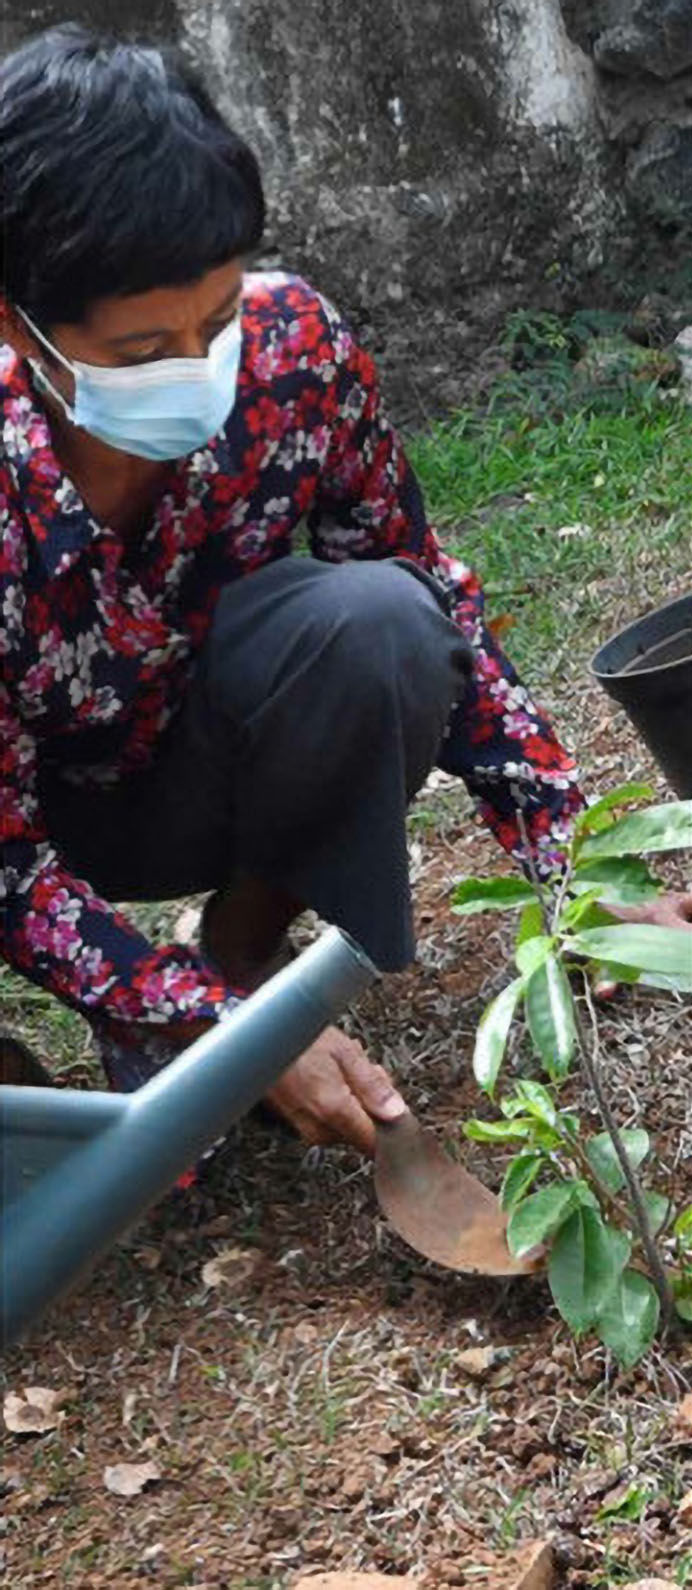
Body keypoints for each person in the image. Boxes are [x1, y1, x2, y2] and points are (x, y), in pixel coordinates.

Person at [1, 27, 689, 1160]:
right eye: (137, 350)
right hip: (30, 826)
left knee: (379, 623)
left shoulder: (291, 354)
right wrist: (219, 1035)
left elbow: (430, 597)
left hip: (196, 773)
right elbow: (7, 861)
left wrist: (575, 876)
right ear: (17, 324)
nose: (192, 368)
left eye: (212, 323)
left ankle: (236, 957)